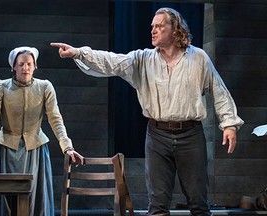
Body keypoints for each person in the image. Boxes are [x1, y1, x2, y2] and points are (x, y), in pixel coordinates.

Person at [50, 7, 244, 216]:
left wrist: (229, 123)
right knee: (157, 205)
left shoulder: (198, 58)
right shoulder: (142, 59)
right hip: (157, 135)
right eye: (152, 26)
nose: (153, 30)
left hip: (190, 134)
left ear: (175, 29)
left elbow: (218, 89)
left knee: (198, 203)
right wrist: (79, 53)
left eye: (159, 26)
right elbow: (111, 61)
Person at [0, 46, 84, 216]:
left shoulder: (44, 87)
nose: (25, 68)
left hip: (35, 150)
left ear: (35, 66)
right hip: (6, 148)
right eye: (20, 64)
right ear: (13, 66)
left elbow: (56, 119)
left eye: (29, 64)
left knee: (34, 198)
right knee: (3, 200)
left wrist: (68, 147)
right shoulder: (1, 87)